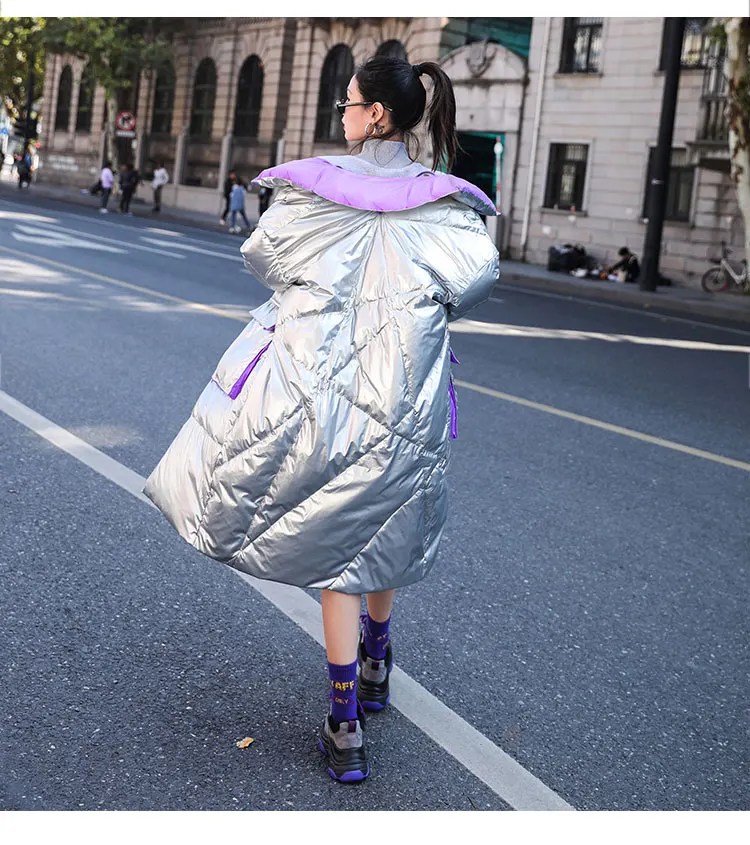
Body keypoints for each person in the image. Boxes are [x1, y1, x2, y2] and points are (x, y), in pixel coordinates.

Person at [142, 56, 499, 784]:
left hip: (323, 397)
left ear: (376, 117)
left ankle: (345, 726)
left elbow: (261, 257)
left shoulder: (309, 197)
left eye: (349, 102)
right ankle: (377, 653)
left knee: (341, 543)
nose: (340, 112)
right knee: (384, 528)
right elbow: (474, 281)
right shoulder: (448, 207)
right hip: (407, 394)